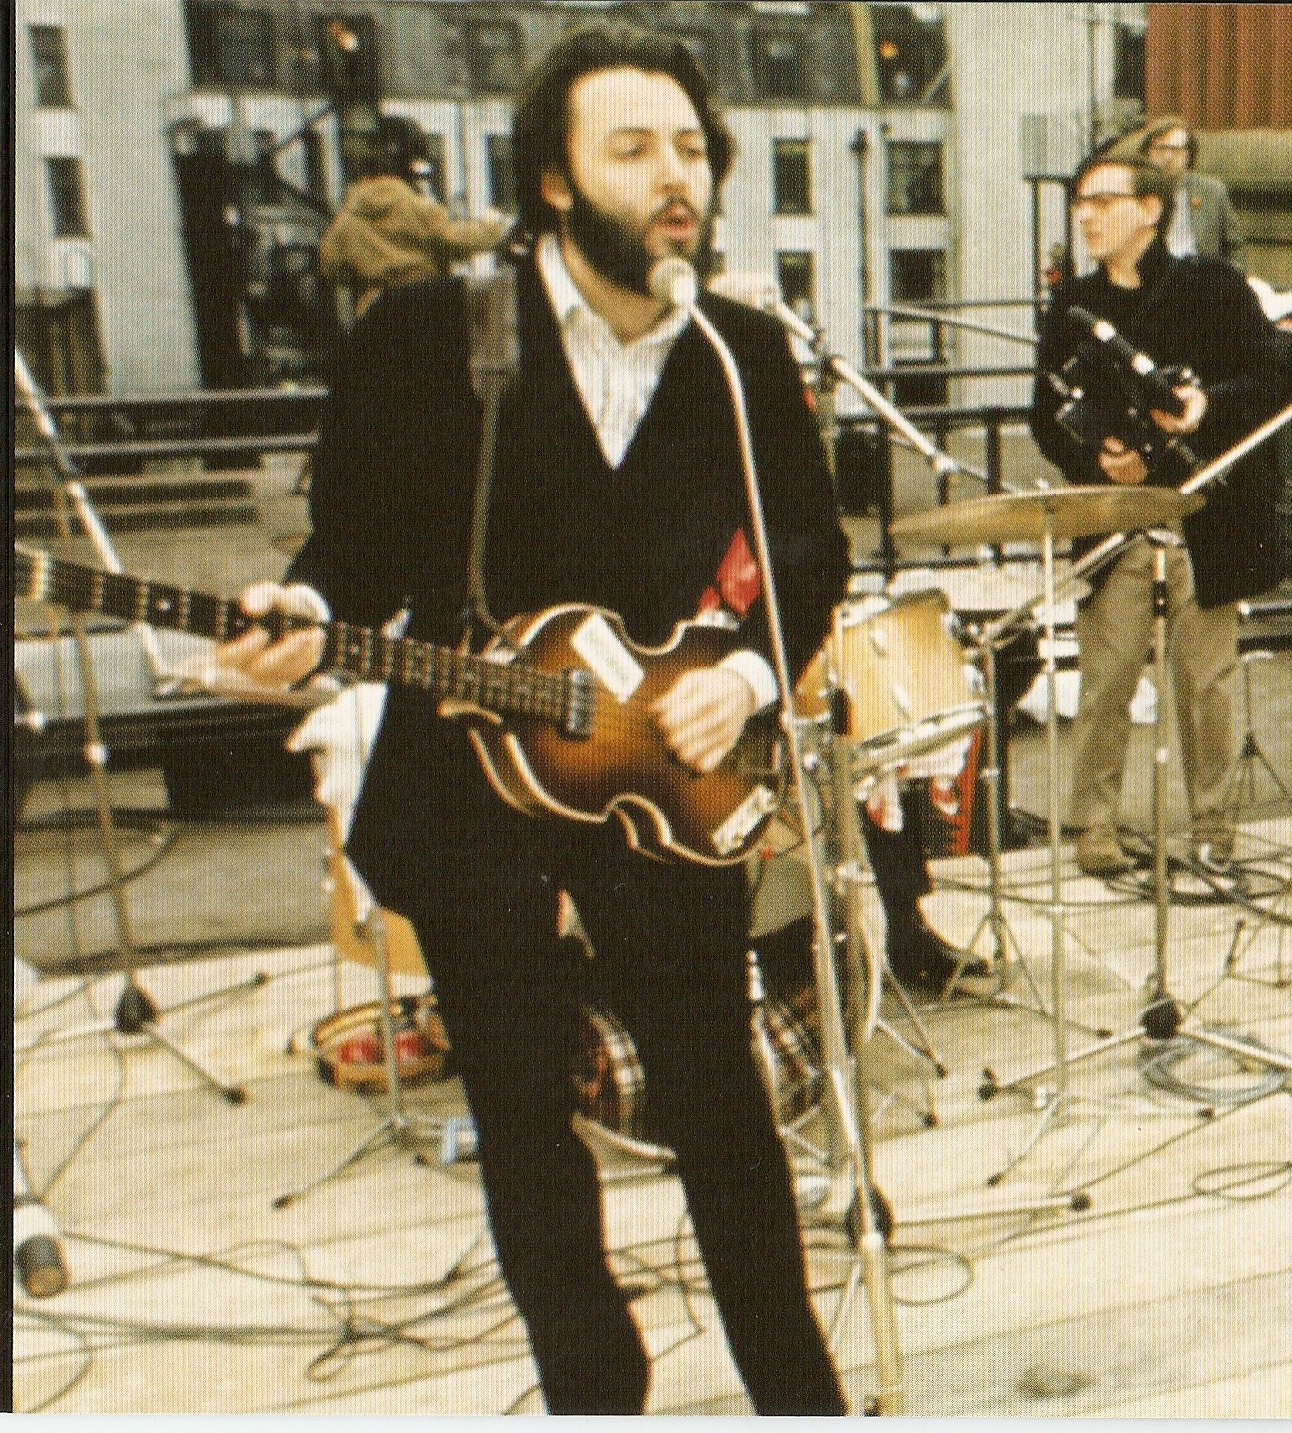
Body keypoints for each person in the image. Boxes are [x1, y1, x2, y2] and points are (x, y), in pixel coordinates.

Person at [207, 23, 847, 1413]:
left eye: (691, 150)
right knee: (521, 1115)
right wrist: (301, 610)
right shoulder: (431, 335)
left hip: (658, 778)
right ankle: (593, 1389)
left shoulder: (739, 349)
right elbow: (352, 547)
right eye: (633, 149)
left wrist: (746, 677)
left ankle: (797, 1392)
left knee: (720, 1101)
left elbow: (809, 549)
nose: (674, 178)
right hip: (465, 778)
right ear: (554, 181)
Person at [1031, 149, 1287, 877]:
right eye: (1080, 202)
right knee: (1107, 678)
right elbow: (1044, 415)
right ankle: (1095, 823)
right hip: (1117, 518)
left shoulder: (1211, 287)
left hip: (1204, 512)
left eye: (1102, 201)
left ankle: (1212, 825)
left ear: (1150, 210)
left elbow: (1274, 374)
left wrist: (1205, 409)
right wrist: (1098, 458)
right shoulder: (1071, 306)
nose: (1085, 215)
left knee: (1205, 682)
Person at [318, 158, 508, 318]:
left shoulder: (348, 218)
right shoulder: (413, 205)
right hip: (423, 305)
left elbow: (331, 266)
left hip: (375, 310)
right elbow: (454, 239)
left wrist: (368, 275)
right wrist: (494, 228)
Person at [1139, 117, 1246, 268]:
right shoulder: (1134, 192)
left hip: (1200, 276)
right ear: (1148, 152)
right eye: (1161, 149)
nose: (1168, 157)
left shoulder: (1212, 192)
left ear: (1188, 155)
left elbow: (1235, 246)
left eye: (1176, 150)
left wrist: (1230, 279)